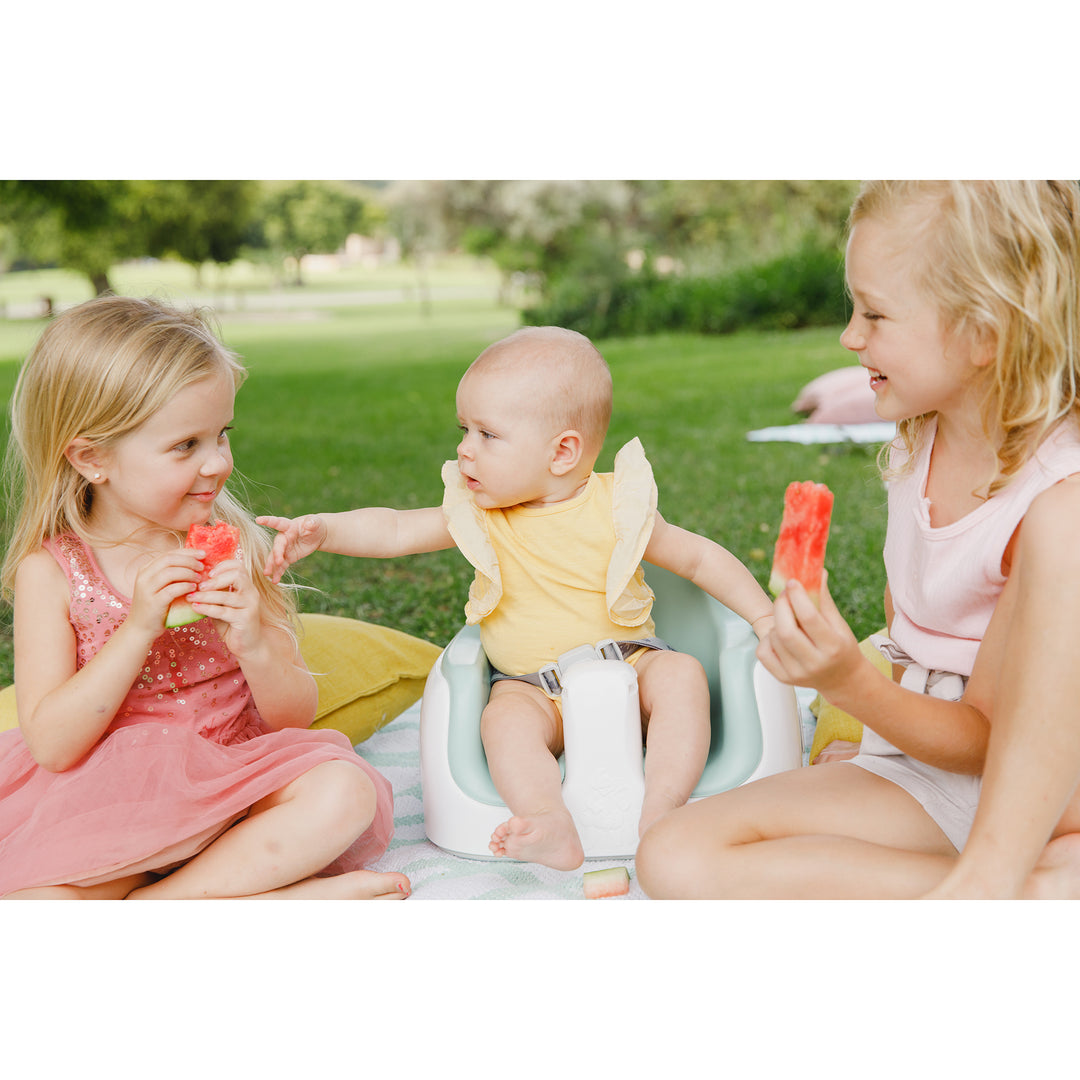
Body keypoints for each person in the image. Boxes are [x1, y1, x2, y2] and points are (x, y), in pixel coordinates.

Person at [636, 180, 1080, 900]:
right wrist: (874, 721)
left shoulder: (1059, 498)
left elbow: (986, 740)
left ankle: (994, 885)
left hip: (1040, 787)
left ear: (984, 333)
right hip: (933, 766)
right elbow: (921, 644)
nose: (849, 336)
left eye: (874, 312)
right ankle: (1037, 894)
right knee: (673, 854)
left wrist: (851, 687)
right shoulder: (918, 442)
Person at [259, 325, 774, 871]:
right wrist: (326, 531)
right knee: (502, 725)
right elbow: (395, 530)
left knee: (683, 676)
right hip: (530, 688)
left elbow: (699, 559)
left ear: (562, 452)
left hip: (631, 663)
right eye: (464, 430)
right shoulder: (482, 515)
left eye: (487, 435)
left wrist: (764, 617)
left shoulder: (616, 505)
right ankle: (549, 819)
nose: (464, 449)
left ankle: (665, 806)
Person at [0, 296, 410, 900]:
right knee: (33, 906)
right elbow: (55, 745)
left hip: (233, 783)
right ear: (92, 458)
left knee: (342, 791)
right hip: (111, 804)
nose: (218, 462)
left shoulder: (230, 543)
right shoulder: (52, 571)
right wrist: (137, 628)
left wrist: (254, 642)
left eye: (222, 434)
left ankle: (163, 908)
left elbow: (293, 715)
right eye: (185, 445)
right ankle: (269, 903)